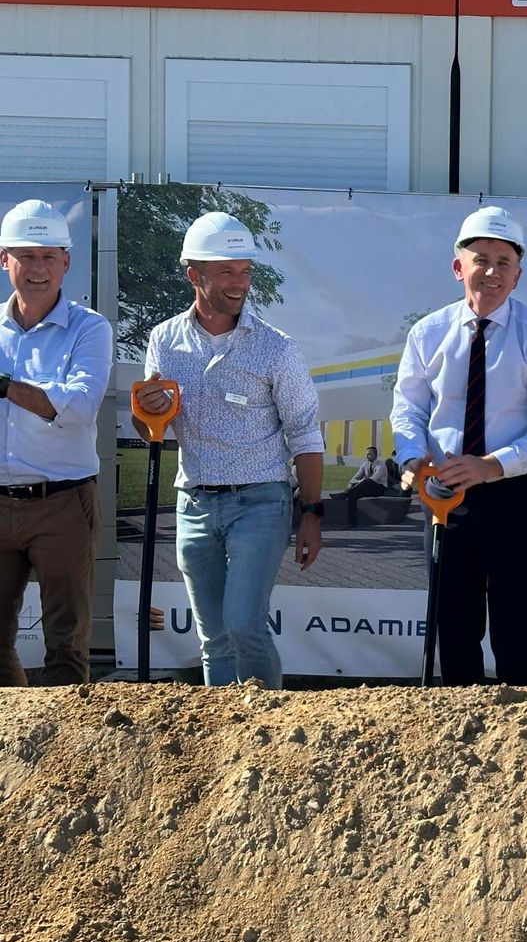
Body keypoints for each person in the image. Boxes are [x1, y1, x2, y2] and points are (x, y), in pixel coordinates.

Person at [135, 211, 325, 689]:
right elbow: (151, 428)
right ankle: (222, 730)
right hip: (194, 502)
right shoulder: (164, 340)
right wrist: (149, 412)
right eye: (226, 271)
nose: (239, 283)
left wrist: (311, 513)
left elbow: (305, 434)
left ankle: (267, 723)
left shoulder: (277, 348)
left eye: (244, 271)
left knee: (243, 624)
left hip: (260, 501)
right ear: (193, 274)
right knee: (214, 638)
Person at [391, 206, 527, 686]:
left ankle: (521, 725)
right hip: (445, 494)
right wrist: (411, 456)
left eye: (504, 262)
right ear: (459, 267)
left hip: (517, 496)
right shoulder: (427, 333)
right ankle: (457, 724)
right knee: (453, 626)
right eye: (482, 260)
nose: (493, 272)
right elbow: (407, 408)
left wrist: (490, 466)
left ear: (518, 275)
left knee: (515, 628)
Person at [0, 200, 111, 686]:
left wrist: (5, 386)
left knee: (66, 645)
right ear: (4, 260)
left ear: (66, 262)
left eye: (48, 256)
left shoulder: (90, 328)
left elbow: (80, 407)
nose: (38, 268)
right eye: (26, 256)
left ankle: (61, 737)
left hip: (64, 502)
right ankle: (17, 729)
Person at [337, 445, 389, 527]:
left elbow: (373, 479)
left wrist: (359, 482)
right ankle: (352, 522)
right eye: (367, 454)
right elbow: (356, 477)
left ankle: (345, 494)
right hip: (366, 487)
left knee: (366, 482)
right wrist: (350, 485)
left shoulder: (381, 465)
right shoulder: (365, 464)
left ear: (375, 455)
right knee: (353, 496)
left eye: (369, 454)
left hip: (379, 488)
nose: (367, 456)